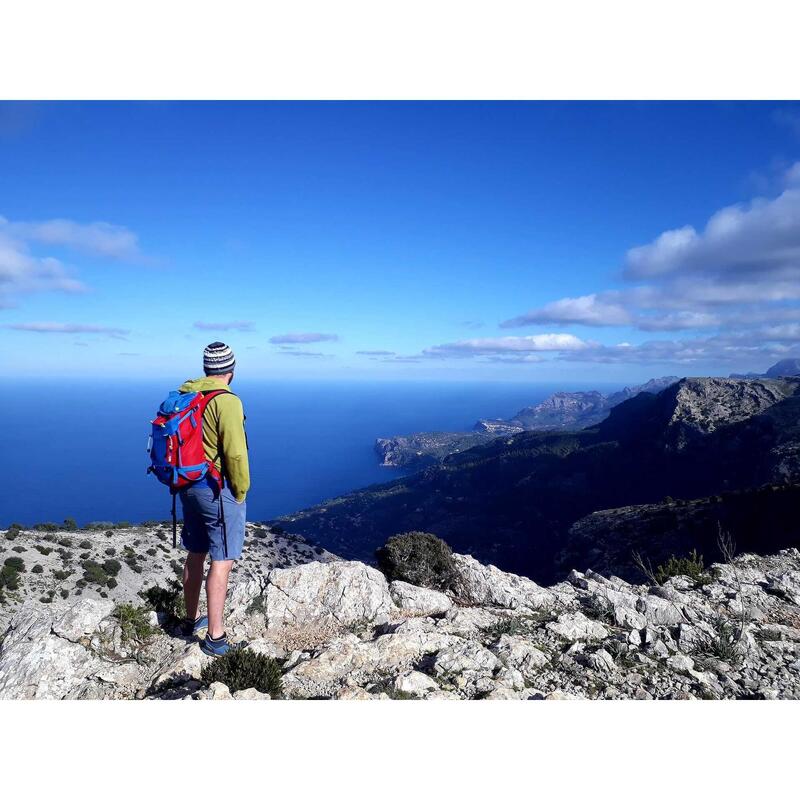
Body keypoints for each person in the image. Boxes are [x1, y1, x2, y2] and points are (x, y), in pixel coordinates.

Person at [178, 341, 250, 656]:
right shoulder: (227, 401)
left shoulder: (187, 394)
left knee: (195, 552)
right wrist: (241, 489)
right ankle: (215, 638)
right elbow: (235, 452)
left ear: (207, 369)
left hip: (187, 484)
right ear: (231, 372)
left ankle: (189, 619)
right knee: (221, 561)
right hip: (215, 489)